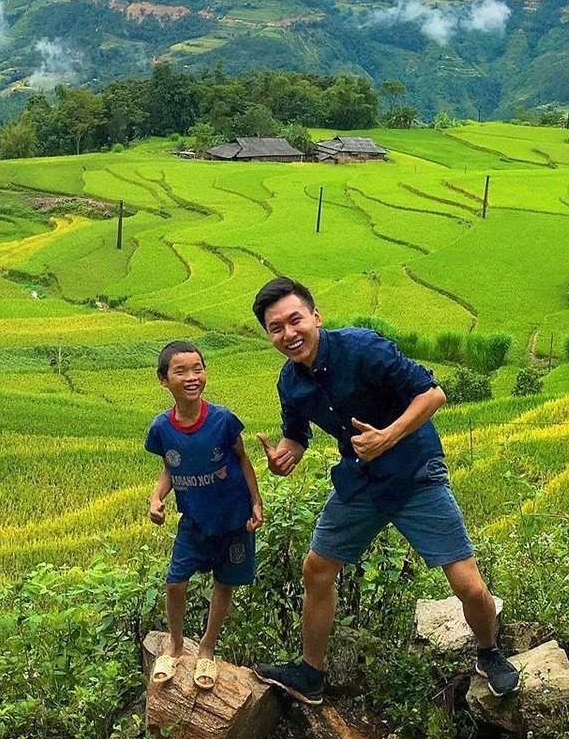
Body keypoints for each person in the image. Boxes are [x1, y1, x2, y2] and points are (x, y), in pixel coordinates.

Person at [247, 276, 519, 704]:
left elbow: (433, 394)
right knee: (316, 569)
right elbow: (296, 436)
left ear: (316, 316)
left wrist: (387, 437)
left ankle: (490, 653)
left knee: (467, 585)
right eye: (275, 328)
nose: (288, 334)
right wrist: (286, 455)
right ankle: (310, 673)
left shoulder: (363, 348)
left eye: (294, 320)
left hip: (414, 473)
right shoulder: (290, 383)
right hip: (362, 479)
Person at [145, 339, 265, 690]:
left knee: (224, 582)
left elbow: (243, 460)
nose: (192, 376)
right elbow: (169, 468)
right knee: (175, 581)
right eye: (180, 371)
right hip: (194, 519)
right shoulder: (161, 428)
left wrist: (256, 502)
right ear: (163, 380)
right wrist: (156, 499)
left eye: (198, 368)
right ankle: (176, 643)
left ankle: (208, 648)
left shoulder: (223, 419)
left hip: (233, 517)